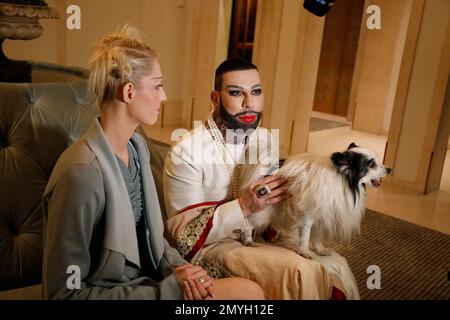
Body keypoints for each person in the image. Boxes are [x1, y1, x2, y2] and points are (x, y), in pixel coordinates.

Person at [41, 27, 265, 300]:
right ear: (129, 92)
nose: (164, 97)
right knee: (248, 296)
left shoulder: (137, 149)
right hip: (123, 294)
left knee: (250, 293)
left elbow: (154, 240)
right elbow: (63, 293)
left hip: (147, 283)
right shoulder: (81, 175)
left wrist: (184, 270)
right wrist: (169, 289)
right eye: (158, 86)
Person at [164, 57, 360, 300]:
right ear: (215, 99)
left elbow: (274, 203)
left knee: (335, 264)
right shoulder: (187, 151)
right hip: (210, 248)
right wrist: (244, 206)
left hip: (258, 235)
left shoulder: (264, 138)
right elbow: (183, 239)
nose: (250, 103)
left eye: (256, 92)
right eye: (237, 93)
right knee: (300, 272)